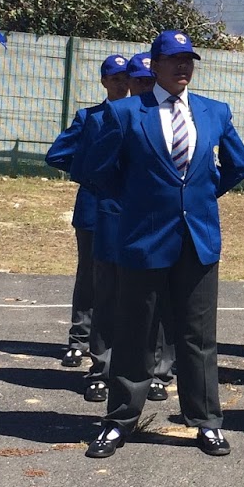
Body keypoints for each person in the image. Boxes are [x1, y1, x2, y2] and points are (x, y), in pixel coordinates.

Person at [75, 30, 244, 459]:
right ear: (154, 65)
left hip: (198, 240)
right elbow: (93, 169)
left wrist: (199, 197)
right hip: (144, 240)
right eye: (173, 60)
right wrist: (135, 202)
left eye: (188, 59)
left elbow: (237, 165)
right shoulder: (128, 113)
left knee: (198, 336)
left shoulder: (214, 112)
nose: (182, 67)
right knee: (136, 332)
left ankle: (205, 421)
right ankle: (119, 420)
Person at [81, 51, 171, 404]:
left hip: (160, 228)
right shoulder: (112, 118)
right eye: (139, 80)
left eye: (151, 80)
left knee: (159, 302)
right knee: (108, 298)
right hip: (116, 222)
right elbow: (87, 168)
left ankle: (159, 372)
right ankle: (102, 369)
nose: (145, 86)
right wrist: (116, 197)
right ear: (129, 83)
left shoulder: (173, 118)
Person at [45, 54, 131, 373]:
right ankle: (79, 339)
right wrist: (88, 171)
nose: (122, 83)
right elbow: (57, 155)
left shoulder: (142, 116)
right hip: (95, 207)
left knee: (128, 279)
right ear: (104, 82)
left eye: (126, 78)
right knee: (91, 275)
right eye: (115, 78)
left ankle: (117, 339)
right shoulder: (90, 117)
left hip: (130, 209)